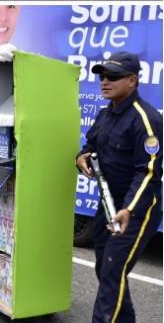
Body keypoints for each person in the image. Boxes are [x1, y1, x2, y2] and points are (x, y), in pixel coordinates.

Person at [76, 51, 161, 323]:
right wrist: (81, 158)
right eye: (102, 76)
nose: (105, 81)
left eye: (113, 76)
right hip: (107, 203)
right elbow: (89, 147)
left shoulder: (146, 120)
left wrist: (128, 209)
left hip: (135, 210)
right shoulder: (105, 114)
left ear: (132, 81)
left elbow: (148, 173)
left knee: (113, 271)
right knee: (105, 268)